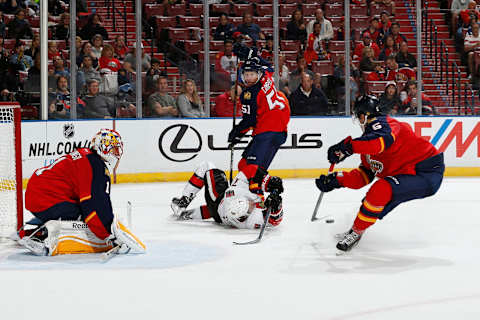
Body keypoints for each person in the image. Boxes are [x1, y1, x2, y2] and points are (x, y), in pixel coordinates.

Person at [315, 95, 445, 252]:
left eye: (359, 116)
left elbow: (380, 142)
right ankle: (357, 230)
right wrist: (337, 180)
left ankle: (356, 232)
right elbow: (363, 176)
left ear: (364, 116)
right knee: (372, 200)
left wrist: (348, 147)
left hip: (426, 172)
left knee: (381, 189)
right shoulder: (367, 144)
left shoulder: (389, 125)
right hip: (406, 174)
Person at [19, 129, 145, 256]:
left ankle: (35, 232)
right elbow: (94, 204)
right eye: (115, 149)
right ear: (104, 148)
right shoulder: (95, 165)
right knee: (86, 216)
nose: (117, 154)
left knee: (83, 211)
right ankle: (47, 239)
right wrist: (109, 234)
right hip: (47, 199)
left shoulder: (87, 156)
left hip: (37, 195)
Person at [228, 46, 291, 171]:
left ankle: (257, 188)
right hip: (280, 131)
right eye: (246, 74)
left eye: (251, 74)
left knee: (251, 170)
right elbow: (268, 66)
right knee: (246, 166)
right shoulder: (265, 77)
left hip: (266, 131)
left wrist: (236, 133)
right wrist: (253, 56)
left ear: (258, 73)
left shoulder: (249, 94)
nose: (248, 78)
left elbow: (250, 121)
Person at [170, 161, 284, 230]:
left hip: (218, 202)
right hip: (220, 216)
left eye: (249, 204)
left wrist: (268, 183)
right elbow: (275, 221)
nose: (252, 204)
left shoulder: (235, 193)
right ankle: (188, 214)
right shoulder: (250, 221)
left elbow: (249, 170)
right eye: (249, 207)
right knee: (212, 211)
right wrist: (276, 204)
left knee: (207, 166)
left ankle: (183, 202)